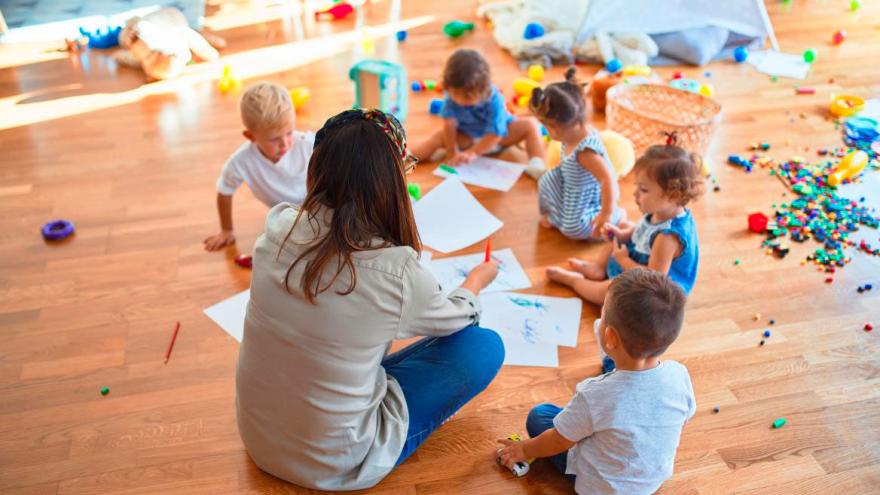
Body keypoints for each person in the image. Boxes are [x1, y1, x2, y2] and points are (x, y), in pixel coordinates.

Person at [236, 108, 505, 491]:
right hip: (336, 463)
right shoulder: (396, 272)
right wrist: (476, 281)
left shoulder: (279, 226)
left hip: (260, 438)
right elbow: (458, 320)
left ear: (317, 171)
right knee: (483, 346)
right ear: (393, 181)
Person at [496, 269, 696, 495]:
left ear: (610, 338)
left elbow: (558, 441)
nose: (599, 322)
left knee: (540, 415)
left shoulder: (595, 394)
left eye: (602, 317)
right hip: (649, 483)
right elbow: (682, 420)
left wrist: (523, 449)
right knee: (599, 419)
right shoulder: (679, 375)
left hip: (599, 488)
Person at [204, 82, 315, 251]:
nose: (285, 143)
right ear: (250, 136)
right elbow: (224, 190)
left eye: (289, 133)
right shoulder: (241, 162)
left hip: (319, 206)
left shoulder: (308, 144)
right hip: (285, 217)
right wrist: (226, 230)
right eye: (274, 139)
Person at [529, 68, 624, 240]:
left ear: (564, 125)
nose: (546, 131)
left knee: (573, 229)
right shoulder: (572, 132)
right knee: (545, 179)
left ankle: (617, 217)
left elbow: (607, 178)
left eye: (548, 127)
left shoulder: (585, 152)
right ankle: (559, 216)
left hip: (589, 200)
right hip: (571, 186)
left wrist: (606, 214)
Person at [410, 48, 544, 169]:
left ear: (482, 90)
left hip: (499, 138)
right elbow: (449, 124)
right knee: (438, 138)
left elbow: (496, 133)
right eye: (455, 94)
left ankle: (536, 164)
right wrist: (452, 150)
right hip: (468, 137)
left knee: (531, 124)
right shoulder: (451, 93)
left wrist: (471, 152)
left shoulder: (495, 99)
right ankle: (407, 158)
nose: (459, 100)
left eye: (466, 97)